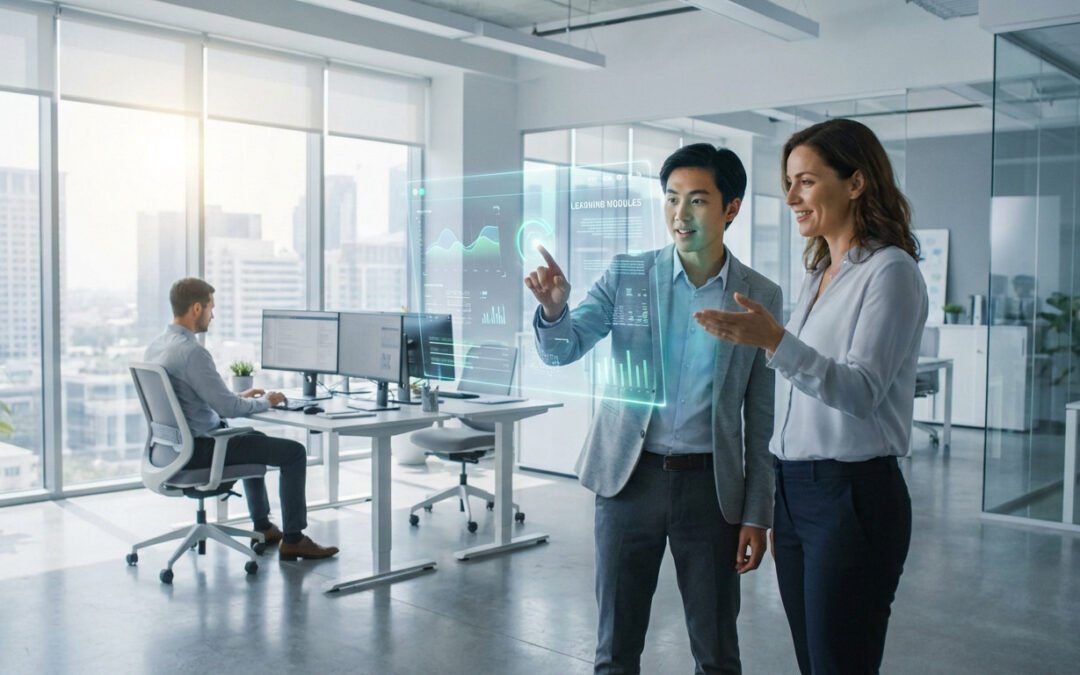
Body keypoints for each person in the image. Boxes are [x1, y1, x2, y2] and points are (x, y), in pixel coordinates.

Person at [526, 144, 782, 674]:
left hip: (711, 491)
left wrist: (758, 513)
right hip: (628, 481)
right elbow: (564, 348)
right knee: (615, 649)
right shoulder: (628, 275)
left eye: (697, 200)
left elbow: (759, 419)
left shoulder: (760, 295)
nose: (679, 215)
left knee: (716, 652)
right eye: (670, 200)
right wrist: (554, 311)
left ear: (731, 208)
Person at [694, 118, 927, 674]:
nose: (792, 196)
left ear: (855, 183)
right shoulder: (819, 273)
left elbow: (862, 392)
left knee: (838, 664)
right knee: (814, 662)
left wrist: (774, 340)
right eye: (789, 182)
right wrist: (778, 502)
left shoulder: (890, 272)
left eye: (806, 180)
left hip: (851, 496)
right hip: (797, 494)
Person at [145, 277, 339, 561]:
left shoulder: (157, 346)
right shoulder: (192, 352)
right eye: (212, 307)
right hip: (201, 451)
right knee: (295, 453)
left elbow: (191, 402)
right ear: (196, 308)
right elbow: (227, 409)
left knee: (254, 439)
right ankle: (294, 539)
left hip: (169, 449)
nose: (213, 315)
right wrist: (264, 401)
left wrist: (241, 397)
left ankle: (264, 526)